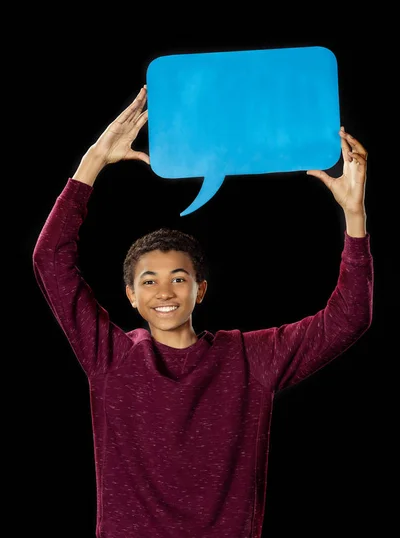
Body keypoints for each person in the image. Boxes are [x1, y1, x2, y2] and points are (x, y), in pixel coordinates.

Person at [32, 85, 373, 538]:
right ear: (131, 296)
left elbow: (348, 318)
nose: (164, 290)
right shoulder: (110, 357)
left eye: (179, 277)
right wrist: (93, 161)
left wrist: (354, 215)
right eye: (148, 281)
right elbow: (50, 259)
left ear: (200, 290)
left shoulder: (250, 358)